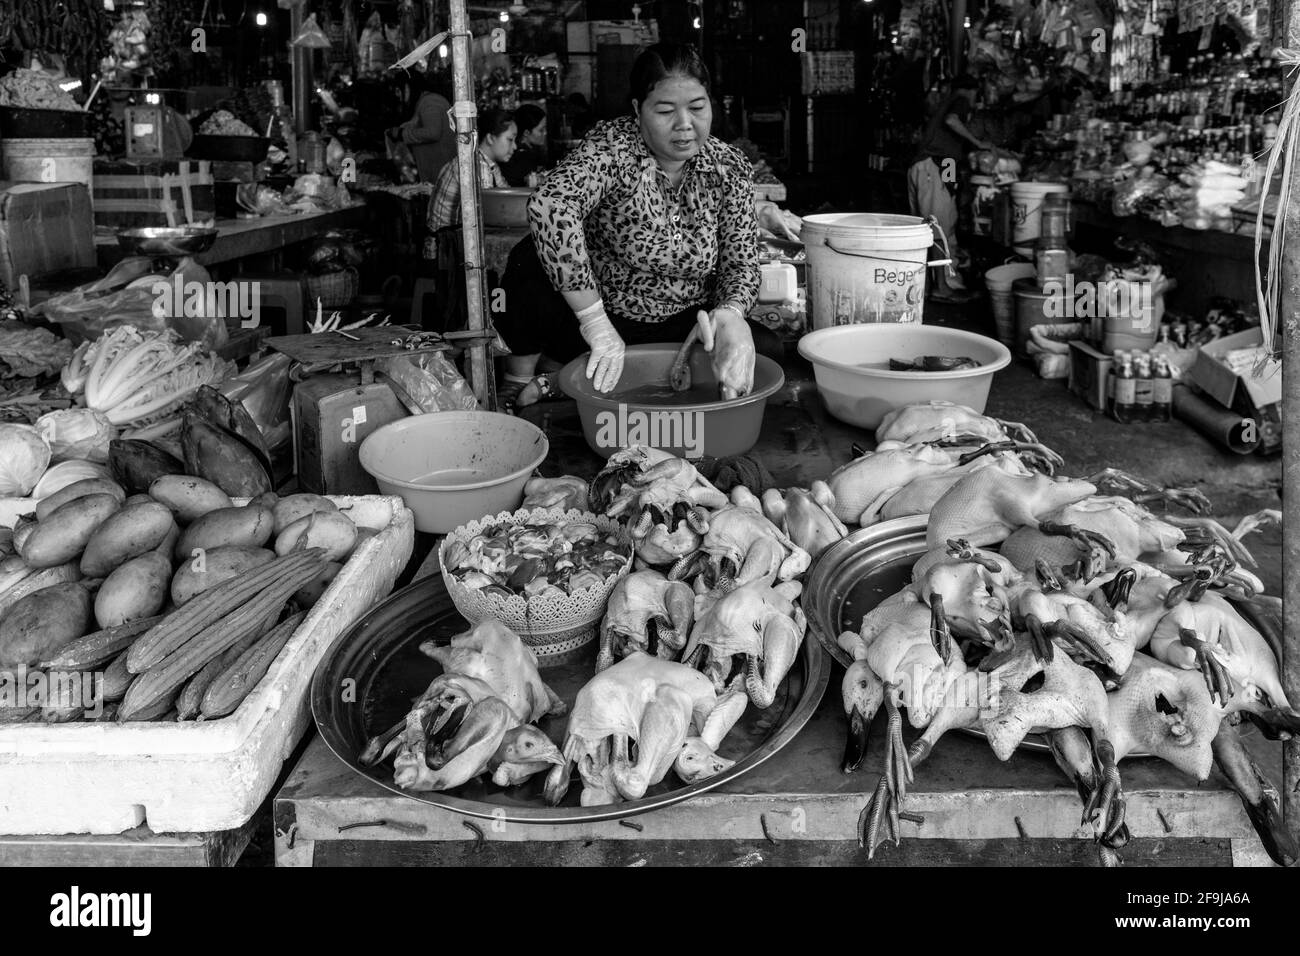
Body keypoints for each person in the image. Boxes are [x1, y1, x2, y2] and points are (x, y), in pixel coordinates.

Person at [494, 43, 779, 409]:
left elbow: (740, 262)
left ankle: (563, 380)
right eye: (664, 110)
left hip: (684, 324)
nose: (684, 125)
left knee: (765, 348)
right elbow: (551, 204)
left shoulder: (728, 167)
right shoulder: (612, 150)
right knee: (530, 257)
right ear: (637, 110)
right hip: (604, 321)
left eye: (697, 108)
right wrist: (594, 321)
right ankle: (521, 380)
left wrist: (732, 313)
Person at [907, 74, 994, 303]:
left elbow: (949, 160)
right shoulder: (961, 99)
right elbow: (952, 120)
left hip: (937, 165)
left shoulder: (947, 103)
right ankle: (941, 288)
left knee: (941, 222)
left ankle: (931, 285)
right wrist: (978, 143)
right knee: (937, 229)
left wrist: (953, 186)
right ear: (973, 89)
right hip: (932, 167)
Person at [424, 109, 516, 262]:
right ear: (491, 138)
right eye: (510, 139)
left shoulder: (488, 164)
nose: (514, 147)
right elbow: (492, 214)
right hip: (447, 254)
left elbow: (506, 197)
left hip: (452, 246)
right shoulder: (476, 166)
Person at [397, 70, 456, 184]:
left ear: (408, 87)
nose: (398, 95)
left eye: (399, 90)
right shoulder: (424, 102)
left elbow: (432, 132)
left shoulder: (430, 102)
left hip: (441, 172)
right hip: (436, 172)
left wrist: (402, 134)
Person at [500, 103, 548, 187]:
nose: (545, 133)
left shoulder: (526, 152)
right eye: (541, 130)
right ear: (526, 133)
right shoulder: (523, 158)